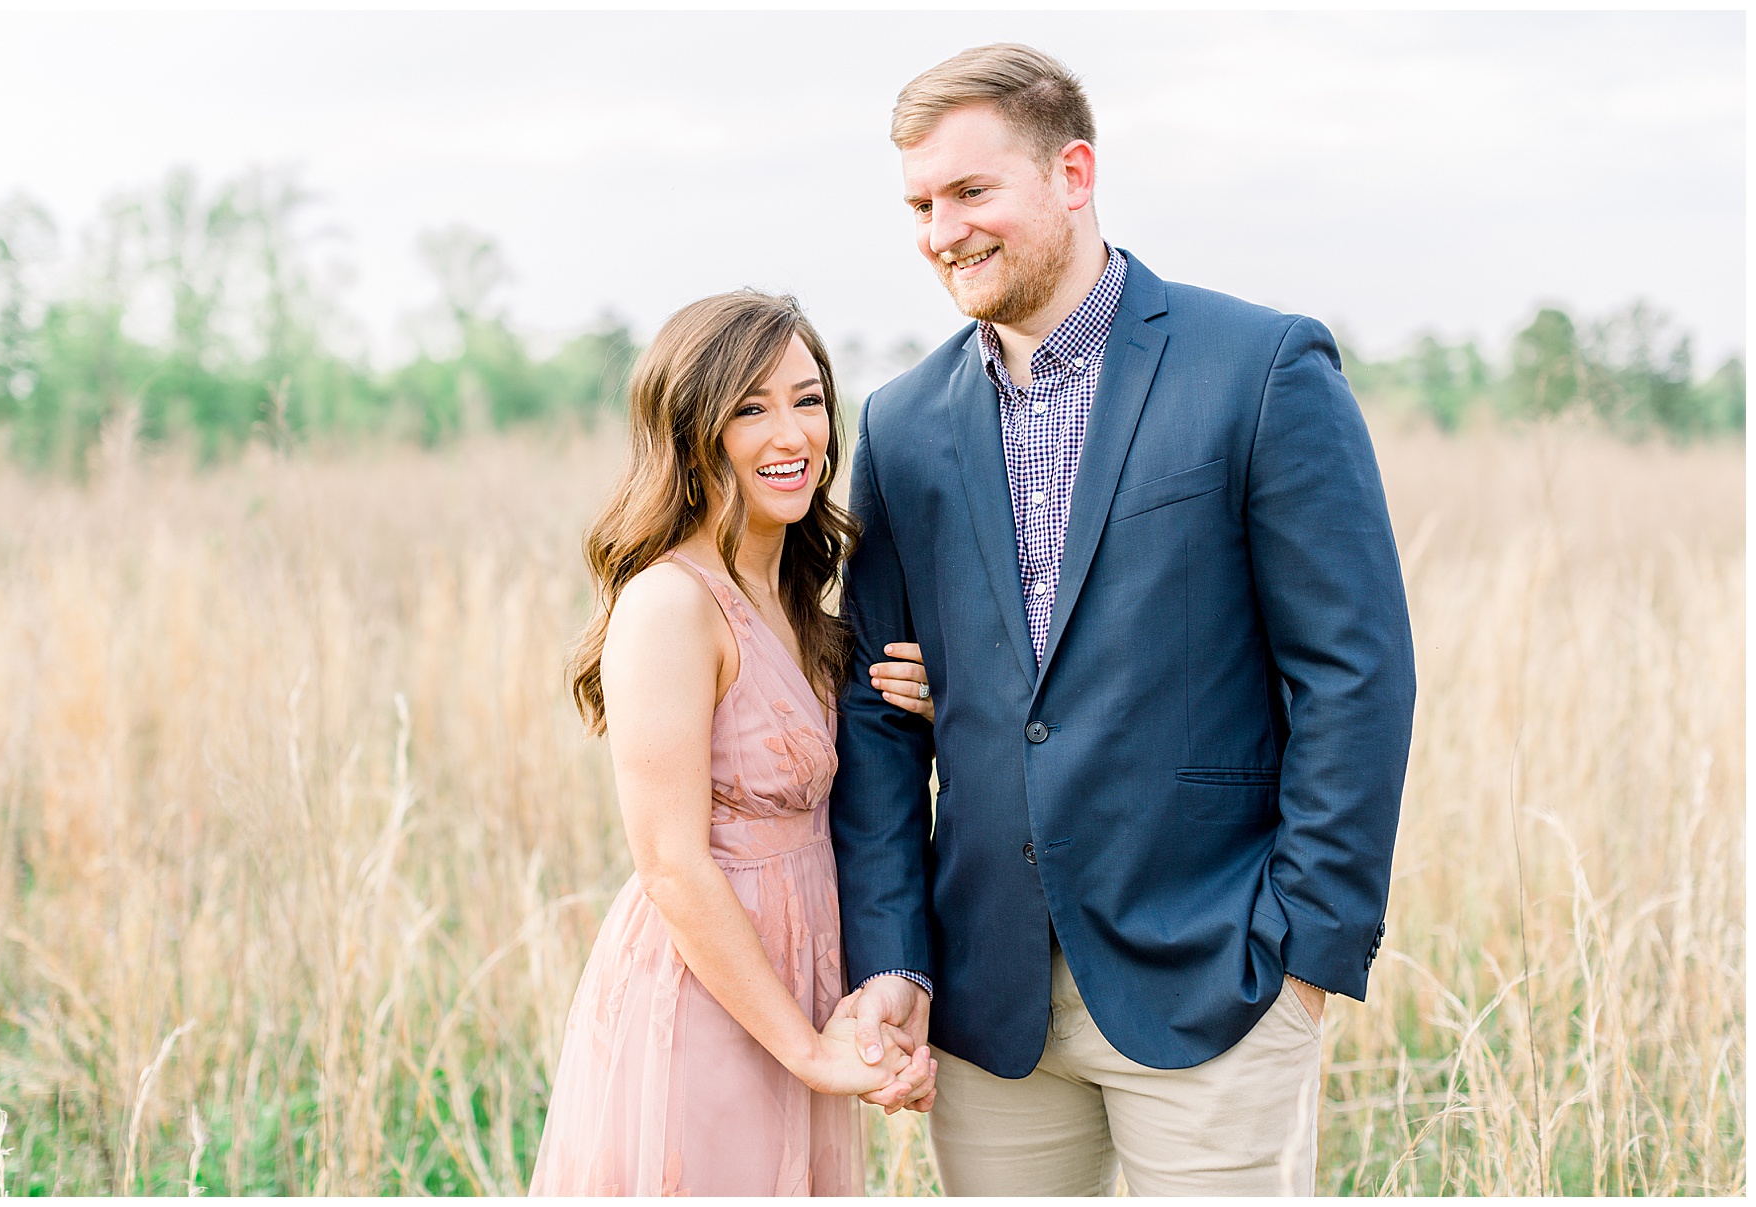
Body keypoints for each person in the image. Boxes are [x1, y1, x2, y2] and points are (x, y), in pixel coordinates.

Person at [832, 44, 1417, 1195]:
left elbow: (1356, 673)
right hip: (988, 1002)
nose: (942, 230)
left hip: (1217, 978)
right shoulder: (900, 424)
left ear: (1074, 172)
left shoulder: (1259, 366)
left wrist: (1306, 950)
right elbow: (880, 719)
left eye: (970, 192)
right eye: (919, 204)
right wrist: (896, 949)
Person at [528, 291, 937, 1196]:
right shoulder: (671, 604)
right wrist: (808, 1050)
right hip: (708, 999)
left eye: (808, 398)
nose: (792, 433)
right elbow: (672, 862)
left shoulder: (797, 596)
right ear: (691, 432)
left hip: (806, 982)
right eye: (750, 408)